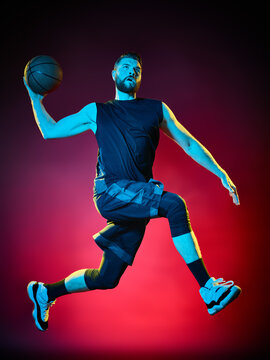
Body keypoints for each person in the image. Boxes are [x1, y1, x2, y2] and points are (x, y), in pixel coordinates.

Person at [24, 52, 241, 332]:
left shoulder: (156, 109)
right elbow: (50, 131)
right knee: (174, 205)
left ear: (139, 77)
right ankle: (208, 289)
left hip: (135, 195)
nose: (132, 71)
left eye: (137, 69)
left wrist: (221, 173)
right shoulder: (98, 111)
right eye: (125, 67)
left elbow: (187, 142)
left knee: (107, 277)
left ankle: (45, 292)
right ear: (113, 73)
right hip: (111, 191)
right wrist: (35, 98)